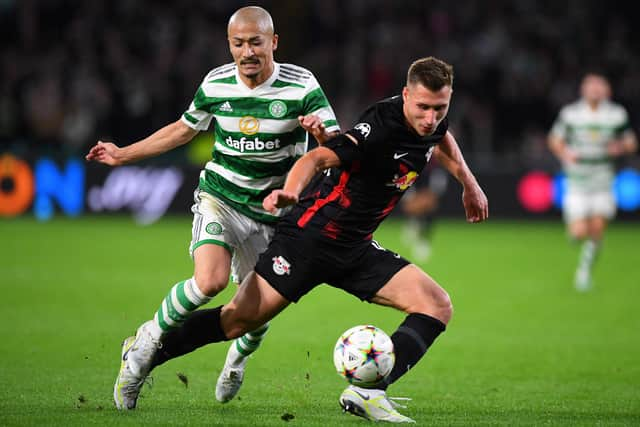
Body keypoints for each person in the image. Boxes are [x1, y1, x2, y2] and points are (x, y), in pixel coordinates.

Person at [124, 56, 488, 423]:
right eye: (423, 107)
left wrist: (469, 185)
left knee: (437, 305)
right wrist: (290, 192)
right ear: (405, 95)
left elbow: (443, 140)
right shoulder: (377, 128)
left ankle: (368, 391)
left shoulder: (432, 123)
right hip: (307, 242)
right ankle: (145, 354)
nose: (430, 118)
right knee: (235, 322)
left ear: (449, 99)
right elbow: (314, 160)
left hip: (355, 247)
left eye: (439, 108)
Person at [85, 6, 340, 410]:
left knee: (255, 312)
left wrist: (320, 133)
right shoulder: (217, 83)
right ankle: (142, 349)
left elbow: (336, 145)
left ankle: (236, 360)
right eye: (239, 43)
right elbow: (183, 129)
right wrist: (123, 155)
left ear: (273, 42)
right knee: (209, 282)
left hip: (273, 213)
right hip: (220, 198)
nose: (248, 51)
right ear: (230, 45)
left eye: (256, 42)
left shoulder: (301, 85)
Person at [548, 72, 637, 291]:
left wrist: (621, 147)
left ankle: (584, 272)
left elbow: (631, 143)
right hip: (577, 181)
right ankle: (576, 233)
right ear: (583, 89)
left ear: (607, 90)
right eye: (591, 86)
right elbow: (554, 140)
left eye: (599, 86)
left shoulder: (616, 115)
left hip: (603, 181)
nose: (595, 90)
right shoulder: (571, 114)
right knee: (579, 233)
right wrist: (566, 154)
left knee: (597, 229)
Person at [400, 159, 448, 261]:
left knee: (429, 206)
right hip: (412, 181)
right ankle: (413, 224)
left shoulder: (436, 170)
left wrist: (426, 199)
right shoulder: (411, 165)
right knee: (412, 206)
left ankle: (424, 240)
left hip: (428, 187)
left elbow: (433, 196)